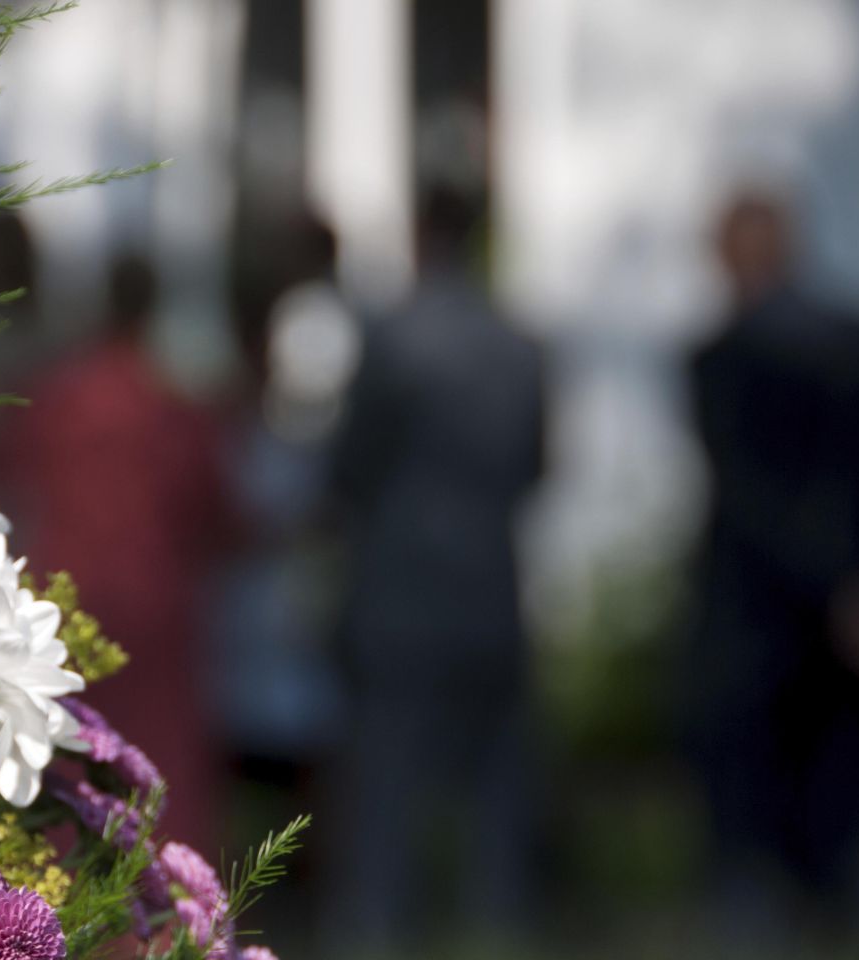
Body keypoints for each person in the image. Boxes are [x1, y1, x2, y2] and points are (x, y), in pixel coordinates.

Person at [686, 192, 859, 943]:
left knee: (757, 828)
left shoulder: (721, 358)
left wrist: (836, 582)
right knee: (846, 802)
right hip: (851, 610)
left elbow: (750, 493)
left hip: (755, 618)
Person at [322, 185, 545, 949]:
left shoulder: (391, 341)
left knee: (386, 776)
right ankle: (498, 925)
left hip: (401, 583)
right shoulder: (520, 344)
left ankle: (378, 926)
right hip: (490, 582)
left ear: (421, 239)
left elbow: (349, 468)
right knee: (496, 783)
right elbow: (538, 467)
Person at [0, 254, 233, 853]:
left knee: (70, 757)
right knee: (158, 758)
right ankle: (165, 910)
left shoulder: (54, 394)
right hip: (153, 603)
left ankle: (69, 906)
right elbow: (217, 514)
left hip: (67, 600)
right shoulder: (171, 404)